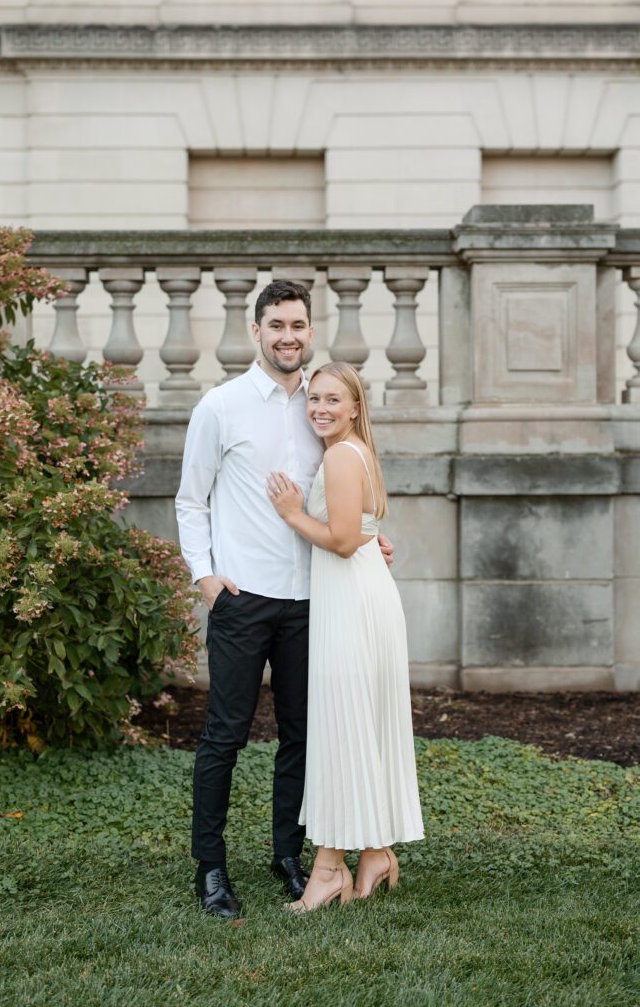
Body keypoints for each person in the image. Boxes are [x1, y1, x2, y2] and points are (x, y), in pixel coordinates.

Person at [175, 281, 393, 919]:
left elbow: (345, 495)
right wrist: (206, 578)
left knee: (304, 736)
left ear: (310, 330)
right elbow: (191, 499)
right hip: (242, 598)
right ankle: (210, 869)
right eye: (276, 325)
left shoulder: (322, 407)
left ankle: (288, 855)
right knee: (225, 735)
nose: (288, 336)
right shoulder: (221, 406)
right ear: (256, 331)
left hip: (315, 601)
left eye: (298, 324)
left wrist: (369, 542)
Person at [266, 361, 424, 912]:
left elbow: (338, 540)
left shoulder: (338, 454)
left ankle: (329, 870)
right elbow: (362, 532)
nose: (321, 408)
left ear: (356, 406)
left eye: (334, 400)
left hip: (352, 603)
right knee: (361, 724)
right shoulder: (359, 451)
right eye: (314, 399)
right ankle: (376, 853)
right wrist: (364, 541)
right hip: (364, 594)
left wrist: (289, 512)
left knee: (341, 727)